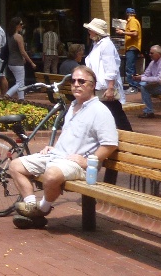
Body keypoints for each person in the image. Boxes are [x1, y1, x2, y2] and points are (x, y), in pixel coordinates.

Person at [9, 64, 119, 229]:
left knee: (51, 174)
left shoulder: (100, 111)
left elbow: (110, 144)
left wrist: (89, 161)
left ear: (92, 85)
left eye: (81, 81)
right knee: (15, 165)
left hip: (78, 165)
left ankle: (42, 209)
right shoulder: (73, 106)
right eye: (73, 81)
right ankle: (32, 207)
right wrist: (54, 148)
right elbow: (70, 135)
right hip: (58, 156)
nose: (76, 84)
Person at [84, 17, 132, 131]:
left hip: (105, 88)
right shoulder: (98, 44)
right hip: (99, 86)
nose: (89, 32)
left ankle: (130, 138)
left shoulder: (106, 44)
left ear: (96, 31)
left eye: (90, 29)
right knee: (110, 115)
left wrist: (110, 88)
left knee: (117, 115)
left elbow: (111, 67)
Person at [133, 44, 161, 118]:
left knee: (144, 88)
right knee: (142, 83)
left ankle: (149, 111)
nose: (150, 55)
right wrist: (139, 77)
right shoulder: (152, 62)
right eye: (150, 53)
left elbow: (159, 79)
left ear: (159, 54)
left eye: (152, 53)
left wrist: (143, 79)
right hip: (159, 86)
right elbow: (146, 74)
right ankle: (148, 110)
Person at [4, 17, 38, 101]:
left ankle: (21, 99)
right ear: (16, 25)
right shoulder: (18, 36)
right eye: (21, 24)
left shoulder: (10, 36)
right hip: (17, 63)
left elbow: (16, 50)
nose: (22, 26)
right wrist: (31, 62)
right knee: (20, 83)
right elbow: (22, 51)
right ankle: (8, 94)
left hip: (11, 62)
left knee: (20, 82)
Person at [116, 7, 143, 93]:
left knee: (129, 67)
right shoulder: (132, 21)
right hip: (132, 47)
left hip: (132, 47)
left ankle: (133, 86)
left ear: (127, 14)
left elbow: (135, 33)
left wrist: (122, 32)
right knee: (132, 67)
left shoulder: (132, 21)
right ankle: (135, 85)